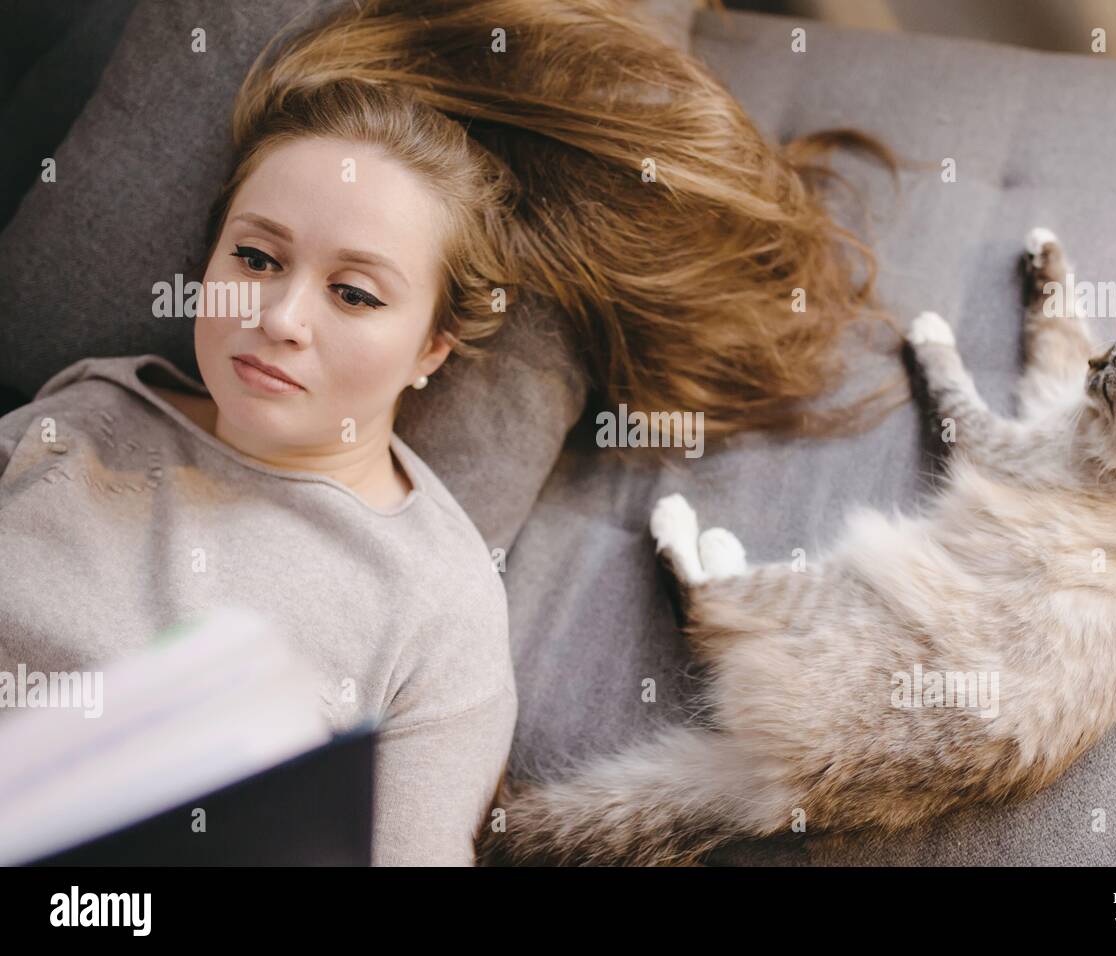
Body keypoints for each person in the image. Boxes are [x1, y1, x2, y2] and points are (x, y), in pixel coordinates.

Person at [0, 0, 899, 865]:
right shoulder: (92, 407)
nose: (279, 316)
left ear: (432, 345)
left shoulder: (435, 606)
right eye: (256, 257)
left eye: (354, 294)